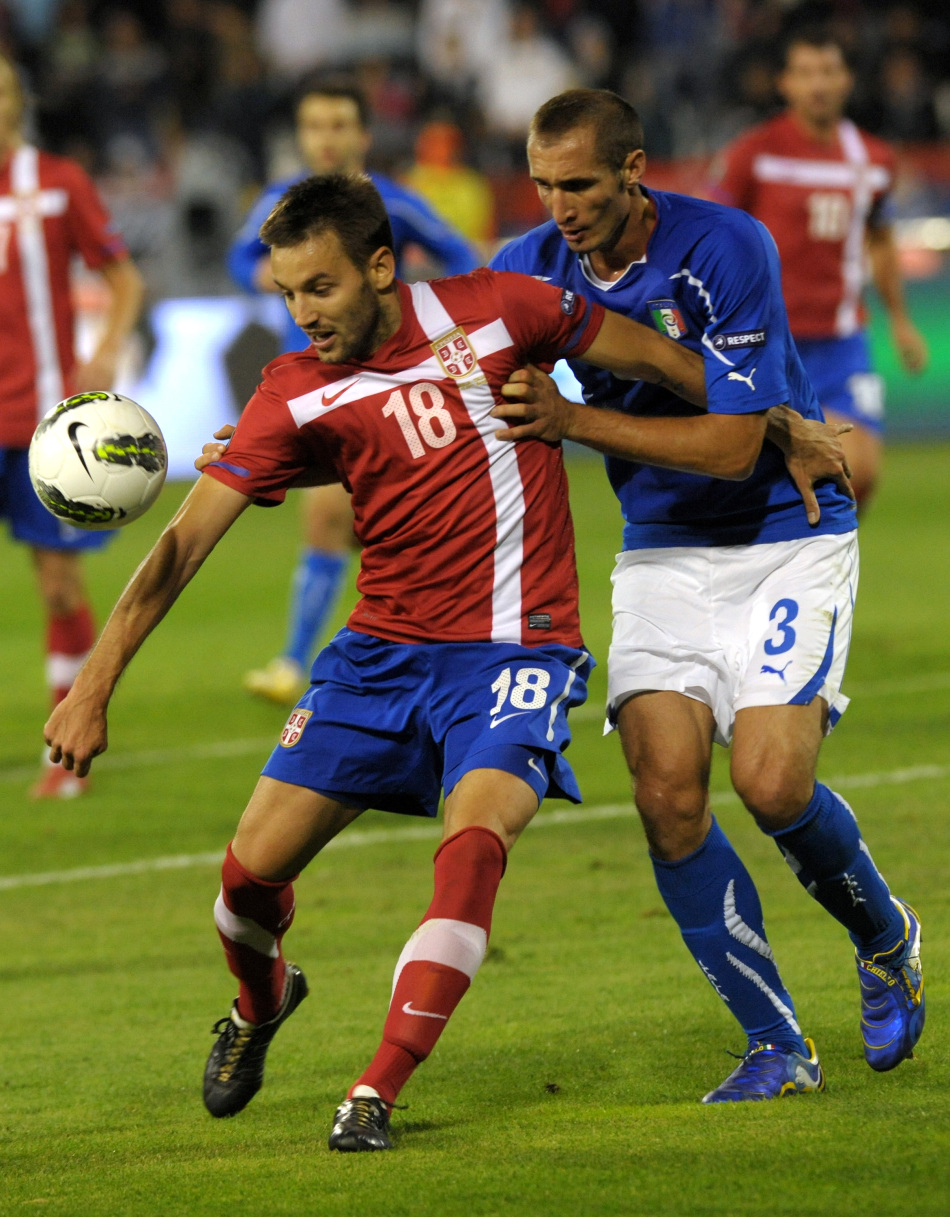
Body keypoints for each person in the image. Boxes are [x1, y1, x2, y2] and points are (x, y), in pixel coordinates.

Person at [43, 172, 841, 1152]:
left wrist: (777, 421)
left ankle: (374, 1089)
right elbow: (180, 547)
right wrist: (92, 685)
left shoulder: (502, 310)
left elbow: (672, 360)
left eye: (320, 289)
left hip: (517, 651)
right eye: (287, 294)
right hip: (379, 658)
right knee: (244, 887)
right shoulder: (291, 390)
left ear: (379, 267)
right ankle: (259, 1006)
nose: (303, 315)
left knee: (473, 845)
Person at [490, 88, 924, 1102]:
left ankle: (885, 934)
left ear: (633, 170)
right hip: (660, 550)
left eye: (580, 183)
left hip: (783, 533)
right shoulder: (529, 268)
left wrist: (572, 420)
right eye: (544, 183)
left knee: (771, 783)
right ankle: (773, 1041)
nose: (559, 204)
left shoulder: (723, 247)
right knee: (665, 793)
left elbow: (734, 446)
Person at [228, 75, 481, 706]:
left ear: (364, 135)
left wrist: (417, 284)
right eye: (315, 126)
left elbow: (459, 252)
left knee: (348, 517)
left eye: (340, 125)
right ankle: (309, 658)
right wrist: (261, 272)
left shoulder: (390, 201)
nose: (327, 139)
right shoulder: (280, 203)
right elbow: (240, 257)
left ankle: (308, 658)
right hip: (323, 380)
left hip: (394, 383)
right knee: (340, 519)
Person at [0, 51, 145, 799]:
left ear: (17, 100)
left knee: (56, 581)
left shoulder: (56, 185)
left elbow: (125, 277)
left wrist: (109, 346)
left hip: (39, 420)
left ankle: (67, 752)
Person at [710, 28, 928, 511]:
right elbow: (713, 233)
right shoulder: (755, 154)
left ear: (847, 79)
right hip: (770, 343)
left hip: (843, 341)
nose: (819, 85)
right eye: (806, 73)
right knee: (759, 474)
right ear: (785, 83)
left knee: (862, 472)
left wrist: (900, 319)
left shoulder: (873, 159)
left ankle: (826, 571)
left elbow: (881, 239)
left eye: (829, 71)